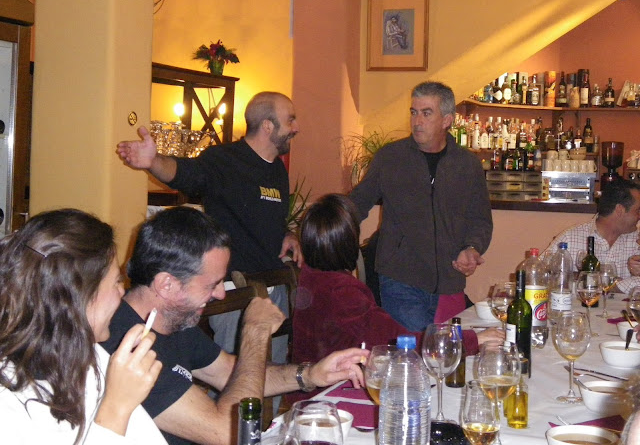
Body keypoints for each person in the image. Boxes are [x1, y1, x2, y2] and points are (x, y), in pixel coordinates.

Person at [101, 206, 367, 445]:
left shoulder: (173, 322)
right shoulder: (123, 347)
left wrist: (310, 375)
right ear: (166, 284)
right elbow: (226, 432)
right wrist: (255, 332)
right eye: (212, 284)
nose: (220, 294)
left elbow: (232, 373)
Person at [116, 92, 301, 385]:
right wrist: (153, 161)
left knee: (271, 377)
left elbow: (270, 217)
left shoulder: (277, 169)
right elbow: (184, 173)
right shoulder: (224, 160)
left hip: (273, 286)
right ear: (268, 125)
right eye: (290, 119)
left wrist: (287, 234)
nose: (296, 127)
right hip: (234, 293)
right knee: (233, 381)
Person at [0, 209, 165, 444]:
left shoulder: (87, 355)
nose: (122, 291)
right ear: (80, 299)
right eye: (116, 281)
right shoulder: (7, 406)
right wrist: (116, 407)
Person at [293, 193, 504, 368]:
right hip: (331, 391)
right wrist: (473, 340)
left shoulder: (311, 277)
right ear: (349, 242)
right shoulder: (342, 292)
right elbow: (401, 342)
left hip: (315, 381)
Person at [349, 81, 493, 332]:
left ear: (447, 120)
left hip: (449, 281)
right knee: (420, 348)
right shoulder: (390, 158)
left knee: (447, 349)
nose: (417, 121)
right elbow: (357, 203)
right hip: (400, 279)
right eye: (414, 112)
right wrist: (322, 230)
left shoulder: (467, 165)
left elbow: (480, 219)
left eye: (426, 113)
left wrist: (472, 248)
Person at [545, 179, 640, 294]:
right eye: (638, 211)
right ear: (620, 210)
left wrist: (615, 286)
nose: (639, 216)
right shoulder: (570, 237)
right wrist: (604, 281)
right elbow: (543, 274)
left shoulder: (637, 241)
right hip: (582, 306)